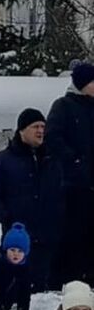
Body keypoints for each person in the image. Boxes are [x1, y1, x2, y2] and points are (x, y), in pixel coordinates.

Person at [0, 110, 63, 292]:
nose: (40, 131)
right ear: (21, 130)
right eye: (35, 126)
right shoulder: (2, 161)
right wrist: (7, 218)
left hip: (49, 238)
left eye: (43, 126)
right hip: (18, 239)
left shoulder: (53, 160)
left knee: (45, 293)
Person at [46, 62, 94, 288]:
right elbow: (53, 138)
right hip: (71, 184)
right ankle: (63, 281)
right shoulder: (63, 106)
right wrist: (75, 161)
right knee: (71, 233)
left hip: (91, 184)